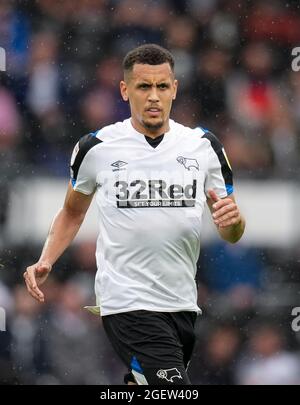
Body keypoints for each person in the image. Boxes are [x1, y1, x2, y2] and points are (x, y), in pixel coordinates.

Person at [23, 44, 245, 385]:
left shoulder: (204, 146)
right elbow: (71, 213)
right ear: (125, 90)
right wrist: (47, 259)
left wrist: (235, 223)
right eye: (144, 86)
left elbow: (232, 231)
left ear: (175, 88)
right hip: (127, 302)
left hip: (182, 302)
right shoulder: (96, 148)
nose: (154, 96)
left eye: (161, 86)